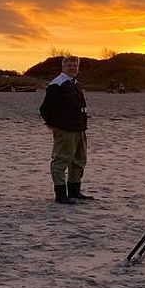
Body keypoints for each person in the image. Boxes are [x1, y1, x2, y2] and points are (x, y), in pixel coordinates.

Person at [39, 56, 92, 204]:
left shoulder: (75, 83)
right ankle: (61, 194)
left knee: (79, 160)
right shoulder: (57, 84)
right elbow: (45, 108)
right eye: (69, 65)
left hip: (79, 129)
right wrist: (53, 124)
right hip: (65, 129)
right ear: (63, 66)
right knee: (61, 160)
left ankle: (74, 191)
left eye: (75, 65)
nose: (73, 67)